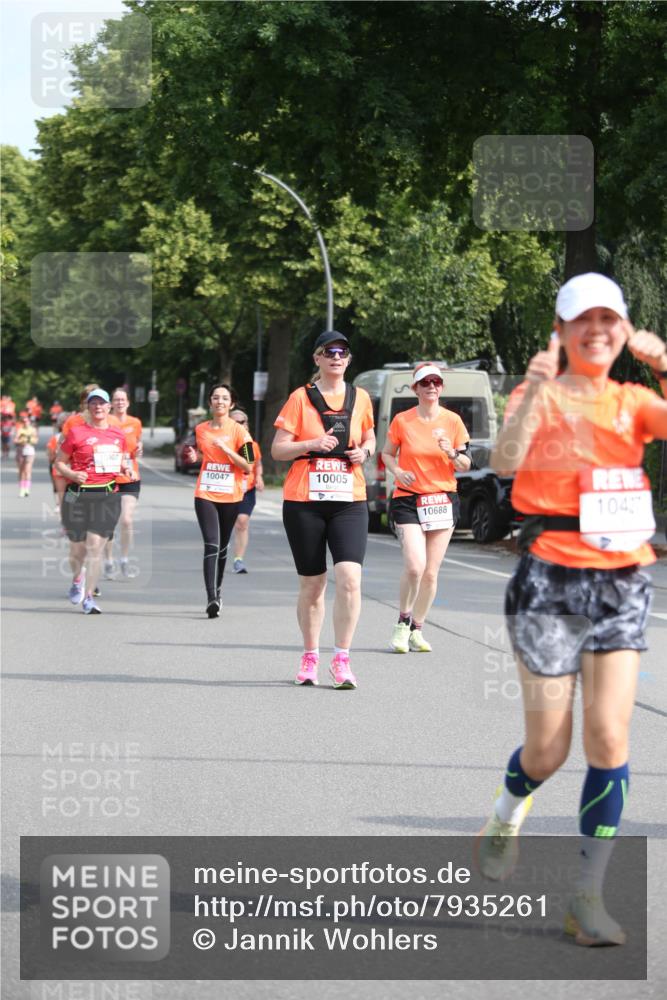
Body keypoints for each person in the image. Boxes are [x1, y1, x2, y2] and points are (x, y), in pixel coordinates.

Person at [475, 273, 667, 946]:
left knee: (609, 738)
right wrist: (532, 394)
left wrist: (665, 365)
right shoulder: (539, 393)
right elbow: (505, 460)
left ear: (624, 329)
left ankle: (587, 895)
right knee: (549, 749)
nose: (596, 330)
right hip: (549, 580)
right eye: (582, 320)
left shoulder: (634, 400)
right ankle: (506, 812)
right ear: (560, 331)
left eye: (608, 319)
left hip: (621, 581)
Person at [271, 331, 375, 689]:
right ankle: (310, 655)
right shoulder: (300, 398)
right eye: (329, 351)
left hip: (349, 499)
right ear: (317, 358)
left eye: (343, 352)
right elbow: (278, 450)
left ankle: (342, 659)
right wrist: (313, 443)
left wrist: (366, 451)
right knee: (313, 585)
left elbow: (369, 436)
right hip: (305, 501)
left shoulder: (361, 397)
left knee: (350, 578)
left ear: (349, 359)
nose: (336, 357)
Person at [382, 363, 471, 653]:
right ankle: (402, 622)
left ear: (441, 387)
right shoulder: (402, 420)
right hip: (408, 499)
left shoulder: (453, 421)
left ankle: (417, 629)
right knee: (414, 566)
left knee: (431, 573)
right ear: (416, 388)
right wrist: (397, 471)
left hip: (442, 500)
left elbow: (466, 464)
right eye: (425, 382)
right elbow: (386, 454)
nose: (432, 386)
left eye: (436, 382)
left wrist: (452, 452)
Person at [55, 389, 133, 614]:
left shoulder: (118, 435)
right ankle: (77, 578)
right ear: (88, 407)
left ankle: (89, 597)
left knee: (94, 547)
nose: (98, 407)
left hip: (107, 496)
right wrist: (72, 474)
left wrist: (125, 467)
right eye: (94, 403)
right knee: (77, 551)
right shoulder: (76, 432)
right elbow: (59, 462)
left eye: (102, 403)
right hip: (77, 495)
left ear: (109, 407)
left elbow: (122, 459)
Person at [183, 384, 254, 618]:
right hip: (205, 493)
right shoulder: (201, 429)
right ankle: (211, 598)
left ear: (231, 404)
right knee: (211, 544)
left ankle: (219, 591)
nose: (219, 401)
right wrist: (194, 457)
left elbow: (248, 465)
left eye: (224, 398)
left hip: (231, 495)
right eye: (215, 398)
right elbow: (202, 455)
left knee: (223, 547)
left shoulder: (240, 432)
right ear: (210, 402)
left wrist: (228, 450)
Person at [103, 387, 143, 579]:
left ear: (128, 403)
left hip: (130, 477)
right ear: (111, 403)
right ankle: (108, 560)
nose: (120, 402)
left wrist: (139, 449)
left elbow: (136, 444)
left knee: (126, 519)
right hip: (109, 477)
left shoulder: (135, 422)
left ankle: (124, 559)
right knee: (109, 522)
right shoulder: (105, 421)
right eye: (116, 399)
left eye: (122, 400)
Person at [230, 408, 265, 574]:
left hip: (247, 489)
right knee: (224, 524)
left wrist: (259, 477)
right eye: (235, 422)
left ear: (247, 425)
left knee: (242, 522)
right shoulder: (224, 444)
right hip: (227, 490)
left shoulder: (251, 445)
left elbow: (257, 464)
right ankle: (219, 551)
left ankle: (238, 559)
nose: (239, 425)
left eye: (242, 422)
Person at [46, 411, 69, 511]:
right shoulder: (55, 438)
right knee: (67, 494)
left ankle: (61, 506)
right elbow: (50, 456)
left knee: (64, 494)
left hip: (67, 469)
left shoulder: (56, 437)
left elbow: (50, 456)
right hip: (64, 469)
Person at [14, 411, 38, 497]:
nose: (25, 423)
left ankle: (27, 489)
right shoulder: (20, 430)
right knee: (21, 471)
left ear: (29, 422)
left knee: (27, 471)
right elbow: (15, 440)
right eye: (24, 421)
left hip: (29, 451)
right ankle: (22, 489)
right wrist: (21, 440)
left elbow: (36, 440)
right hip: (21, 451)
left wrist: (30, 440)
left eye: (27, 421)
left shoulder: (33, 430)